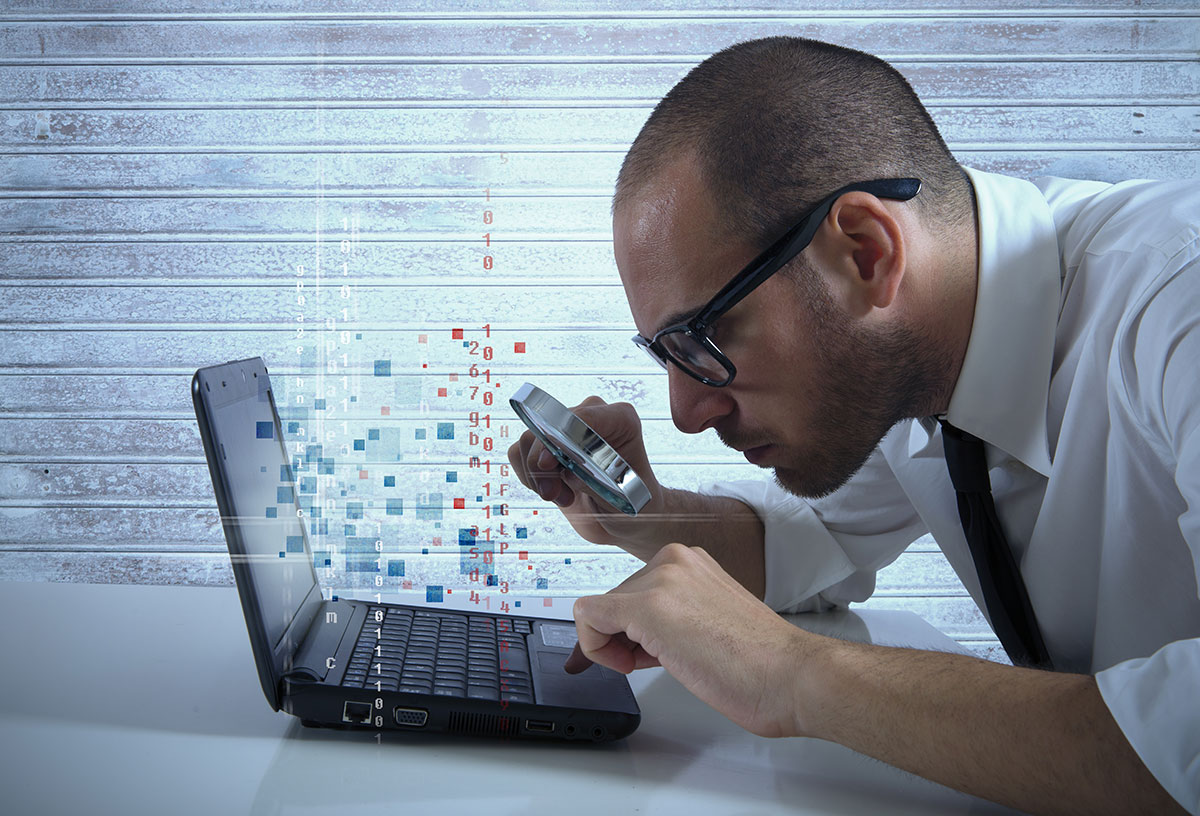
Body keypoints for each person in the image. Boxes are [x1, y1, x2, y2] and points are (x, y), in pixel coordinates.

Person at [507, 36, 1198, 815]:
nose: (685, 414)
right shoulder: (911, 355)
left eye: (703, 339)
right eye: (665, 355)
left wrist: (791, 675)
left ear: (866, 253)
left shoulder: (1178, 302)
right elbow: (808, 545)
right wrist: (638, 509)